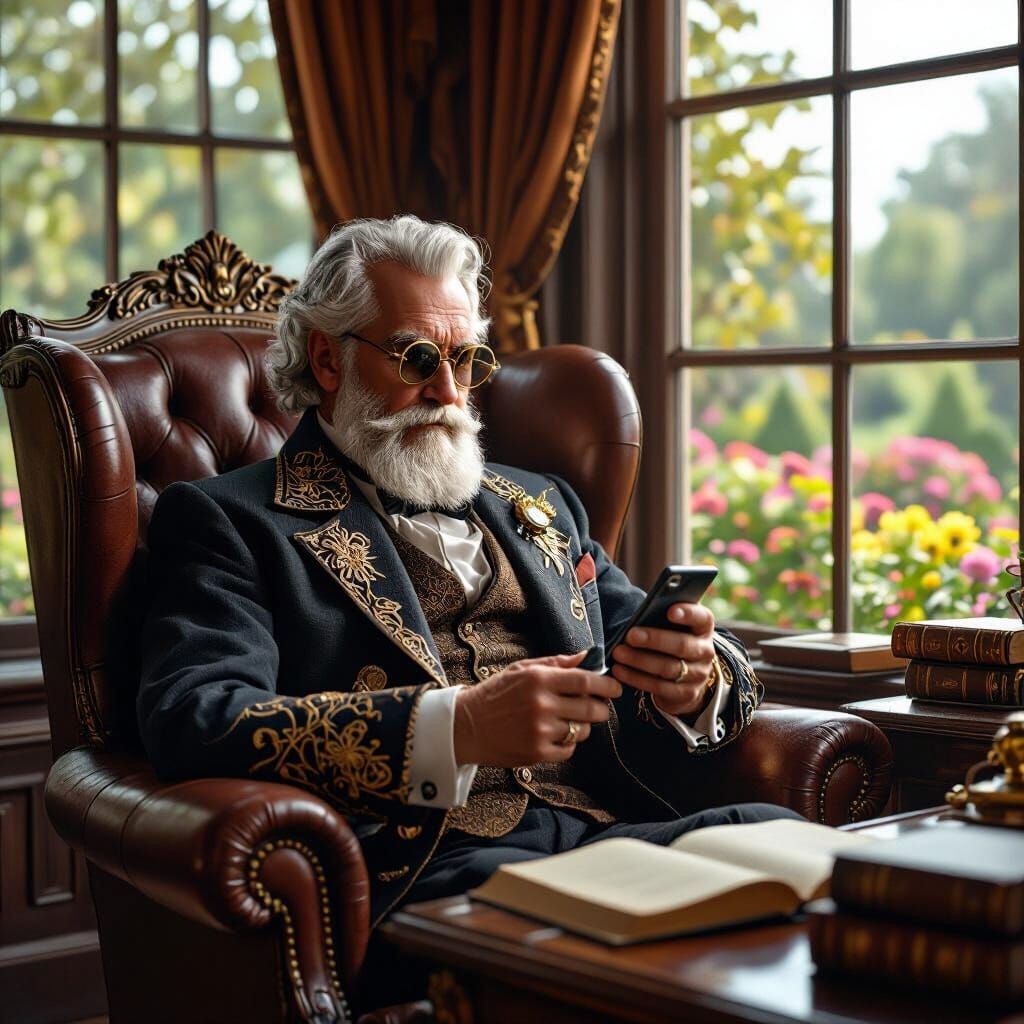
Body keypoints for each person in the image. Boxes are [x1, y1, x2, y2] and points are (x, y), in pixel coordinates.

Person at [137, 215, 801, 940]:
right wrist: (460, 727)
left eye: (467, 360)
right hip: (425, 870)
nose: (449, 391)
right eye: (417, 358)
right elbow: (194, 719)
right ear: (328, 361)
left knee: (785, 845)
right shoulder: (227, 519)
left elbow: (643, 640)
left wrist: (696, 677)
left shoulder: (541, 504)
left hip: (607, 833)